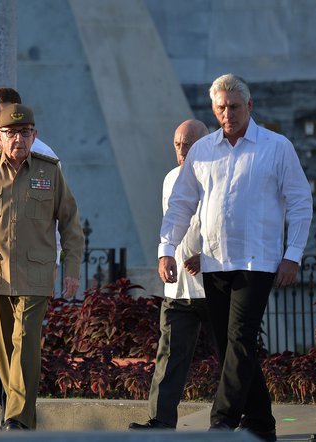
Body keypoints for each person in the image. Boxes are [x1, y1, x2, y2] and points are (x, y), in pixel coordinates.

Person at [158, 74, 313, 442]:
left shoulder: (276, 147)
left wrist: (292, 255)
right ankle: (261, 421)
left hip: (257, 263)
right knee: (229, 347)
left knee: (241, 339)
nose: (228, 113)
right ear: (214, 109)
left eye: (234, 106)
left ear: (250, 106)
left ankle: (222, 421)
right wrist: (166, 249)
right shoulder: (203, 150)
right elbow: (181, 204)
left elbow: (300, 201)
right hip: (214, 263)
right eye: (221, 107)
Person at [0, 103, 83, 431]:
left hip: (35, 273)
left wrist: (71, 269)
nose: (18, 140)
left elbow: (70, 222)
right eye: (10, 133)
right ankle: (18, 413)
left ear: (34, 135)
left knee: (25, 342)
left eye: (25, 133)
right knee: (1, 350)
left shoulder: (49, 169)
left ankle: (17, 421)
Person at [129, 119, 210, 431]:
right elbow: (170, 225)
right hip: (179, 290)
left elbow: (230, 226)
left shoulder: (218, 176)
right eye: (177, 144)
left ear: (205, 143)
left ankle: (247, 417)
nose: (182, 150)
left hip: (215, 284)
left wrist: (208, 257)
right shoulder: (170, 179)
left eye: (188, 144)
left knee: (234, 356)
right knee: (169, 355)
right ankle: (161, 421)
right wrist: (165, 255)